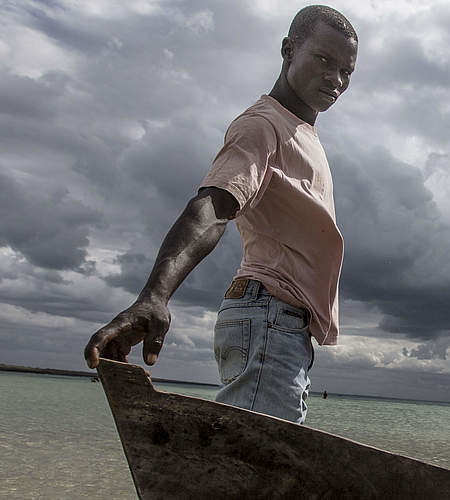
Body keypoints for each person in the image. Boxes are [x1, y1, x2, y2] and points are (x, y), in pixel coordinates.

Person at [83, 5, 358, 425]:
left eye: (346, 70)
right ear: (289, 50)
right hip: (269, 316)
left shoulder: (300, 132)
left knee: (267, 465)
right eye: (323, 60)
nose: (335, 80)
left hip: (284, 326)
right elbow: (213, 207)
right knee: (257, 466)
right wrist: (155, 295)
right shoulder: (262, 126)